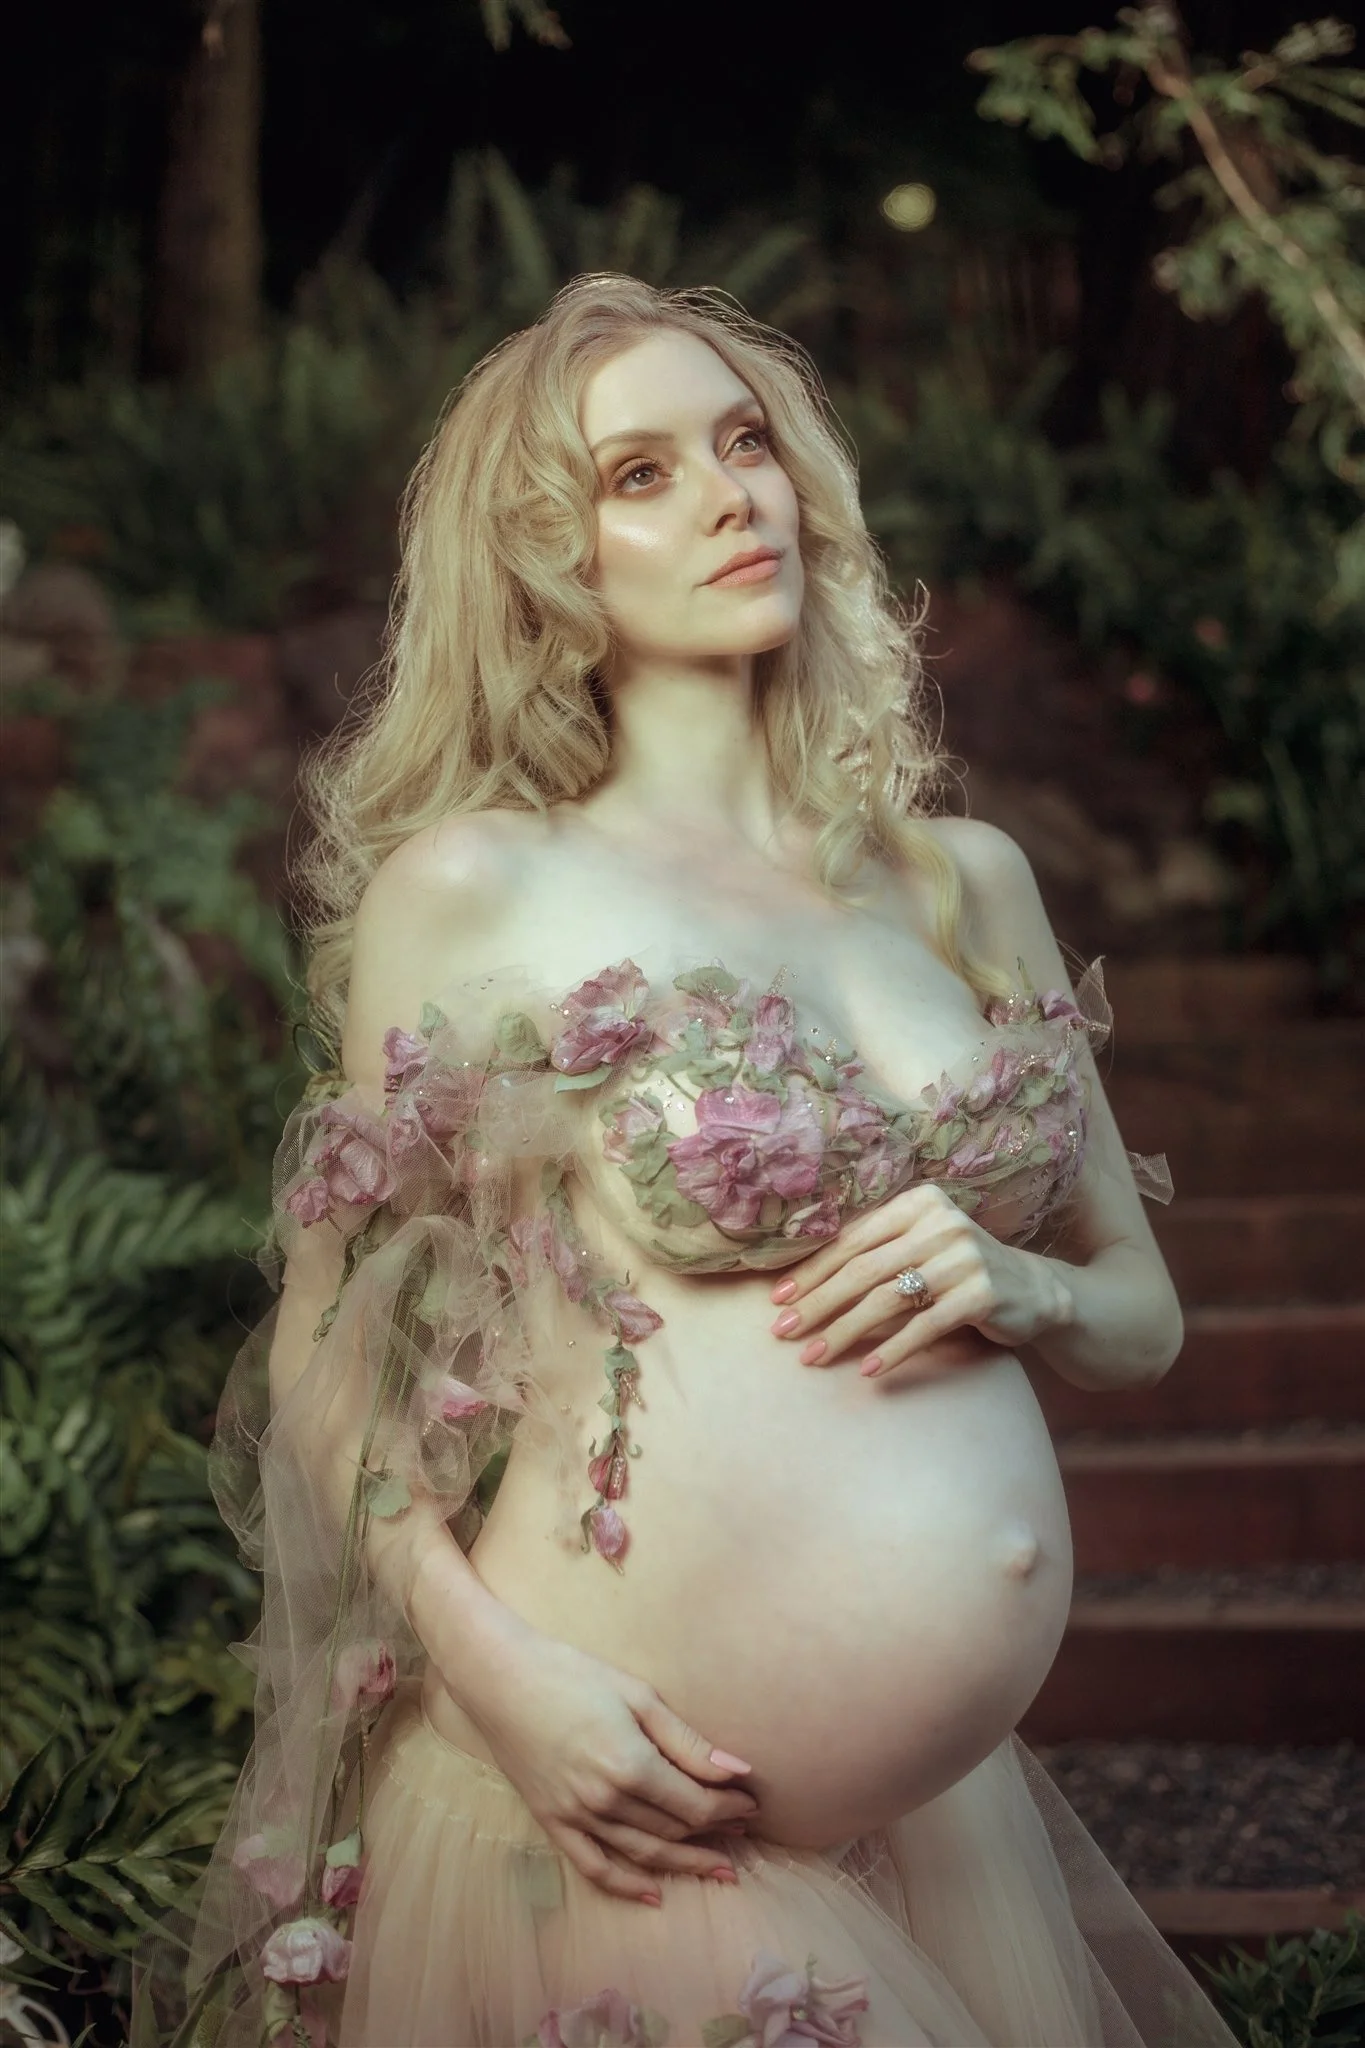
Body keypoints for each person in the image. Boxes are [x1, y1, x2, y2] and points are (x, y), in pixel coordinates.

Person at [147, 274, 1239, 2047]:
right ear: (546, 566)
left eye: (745, 442)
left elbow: (1141, 1319)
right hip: (618, 1801)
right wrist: (507, 1690)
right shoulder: (483, 888)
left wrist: (1023, 1276)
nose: (731, 495)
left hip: (929, 1835)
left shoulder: (966, 880)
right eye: (638, 473)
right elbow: (328, 1357)